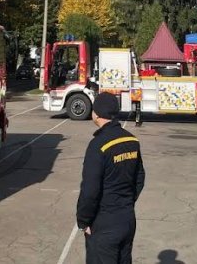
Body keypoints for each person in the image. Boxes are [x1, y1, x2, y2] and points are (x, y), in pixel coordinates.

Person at [77, 92, 145, 264]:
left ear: (97, 113)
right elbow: (140, 178)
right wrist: (127, 201)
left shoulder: (98, 145)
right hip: (127, 219)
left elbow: (90, 190)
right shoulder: (132, 140)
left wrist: (83, 221)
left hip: (104, 223)